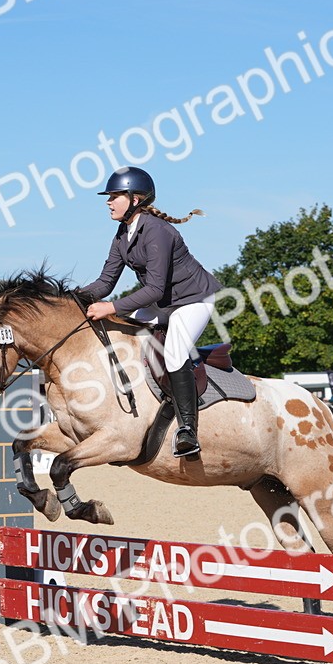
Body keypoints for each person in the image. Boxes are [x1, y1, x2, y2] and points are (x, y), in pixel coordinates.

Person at [80, 166, 221, 458]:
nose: (108, 201)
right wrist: (72, 298)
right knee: (123, 332)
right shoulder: (122, 235)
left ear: (136, 199)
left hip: (193, 300)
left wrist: (111, 307)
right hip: (164, 304)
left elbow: (155, 289)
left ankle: (187, 431)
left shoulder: (158, 231)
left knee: (174, 352)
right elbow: (105, 282)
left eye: (115, 196)